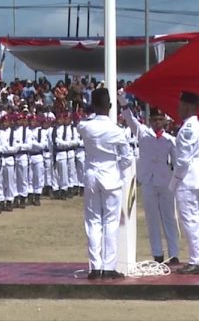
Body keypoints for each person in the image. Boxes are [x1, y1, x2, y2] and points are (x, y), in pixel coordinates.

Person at [78, 88, 134, 280]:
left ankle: (95, 267)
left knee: (93, 222)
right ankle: (109, 267)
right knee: (110, 222)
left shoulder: (85, 127)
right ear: (110, 106)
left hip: (92, 175)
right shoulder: (117, 131)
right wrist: (117, 166)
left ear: (93, 106)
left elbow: (82, 124)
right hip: (111, 175)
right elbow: (127, 158)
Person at [119, 93, 180, 265]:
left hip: (165, 181)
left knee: (169, 218)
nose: (156, 123)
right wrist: (123, 102)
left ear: (164, 122)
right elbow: (130, 119)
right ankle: (157, 254)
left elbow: (176, 163)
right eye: (154, 120)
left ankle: (174, 253)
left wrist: (176, 182)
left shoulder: (170, 140)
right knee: (152, 219)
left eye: (159, 120)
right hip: (148, 180)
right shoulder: (143, 133)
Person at [171, 91, 199, 275]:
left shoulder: (188, 128)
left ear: (187, 106)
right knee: (198, 218)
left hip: (188, 177)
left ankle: (196, 260)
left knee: (190, 219)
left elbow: (182, 161)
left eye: (180, 105)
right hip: (196, 176)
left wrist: (175, 181)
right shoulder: (195, 125)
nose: (178, 109)